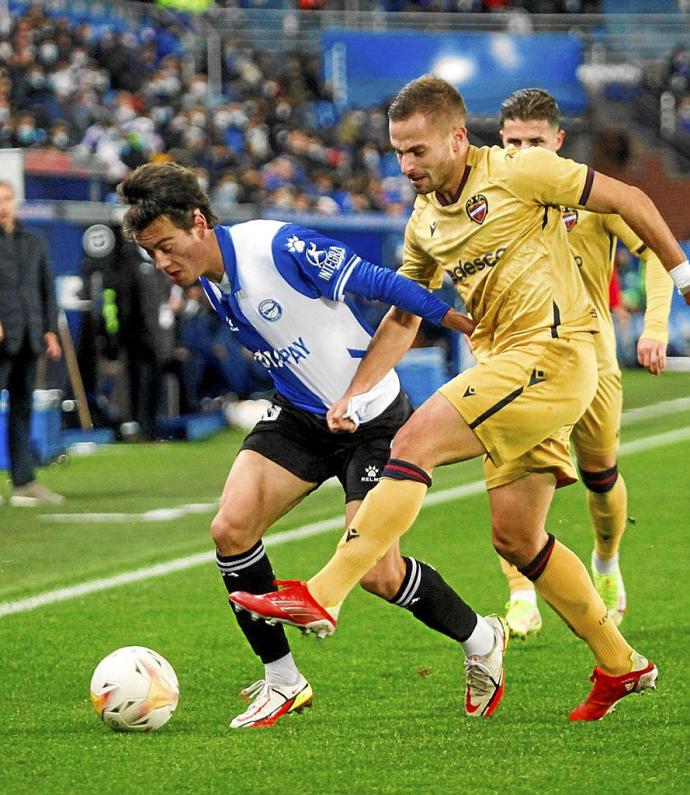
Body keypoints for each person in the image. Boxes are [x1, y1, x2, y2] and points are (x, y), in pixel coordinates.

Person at [228, 75, 690, 722]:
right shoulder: (424, 222)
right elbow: (403, 316)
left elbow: (632, 197)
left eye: (417, 151)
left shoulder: (523, 169)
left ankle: (326, 591)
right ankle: (620, 662)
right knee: (517, 536)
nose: (407, 165)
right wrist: (358, 393)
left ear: (455, 137)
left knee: (414, 439)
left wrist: (680, 274)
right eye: (397, 153)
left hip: (554, 354)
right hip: (507, 369)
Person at [116, 162, 508, 728]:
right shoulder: (209, 279)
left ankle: (480, 638)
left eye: (166, 246)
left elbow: (385, 284)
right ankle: (283, 681)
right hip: (301, 417)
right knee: (231, 528)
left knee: (378, 573)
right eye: (152, 253)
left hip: (372, 421)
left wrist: (463, 323)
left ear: (198, 222)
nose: (162, 262)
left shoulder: (273, 245)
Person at [495, 88, 674, 638]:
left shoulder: (589, 195)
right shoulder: (490, 196)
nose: (524, 151)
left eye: (535, 142)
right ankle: (521, 593)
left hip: (592, 361)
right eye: (514, 141)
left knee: (600, 477)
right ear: (501, 140)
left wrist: (655, 327)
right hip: (520, 358)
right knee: (512, 474)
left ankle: (606, 560)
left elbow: (658, 255)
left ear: (558, 142)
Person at [0, 180, 63, 506]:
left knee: (22, 411)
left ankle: (24, 482)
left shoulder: (33, 242)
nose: (3, 205)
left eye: (7, 198)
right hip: (2, 339)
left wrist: (49, 329)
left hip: (28, 338)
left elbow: (46, 289)